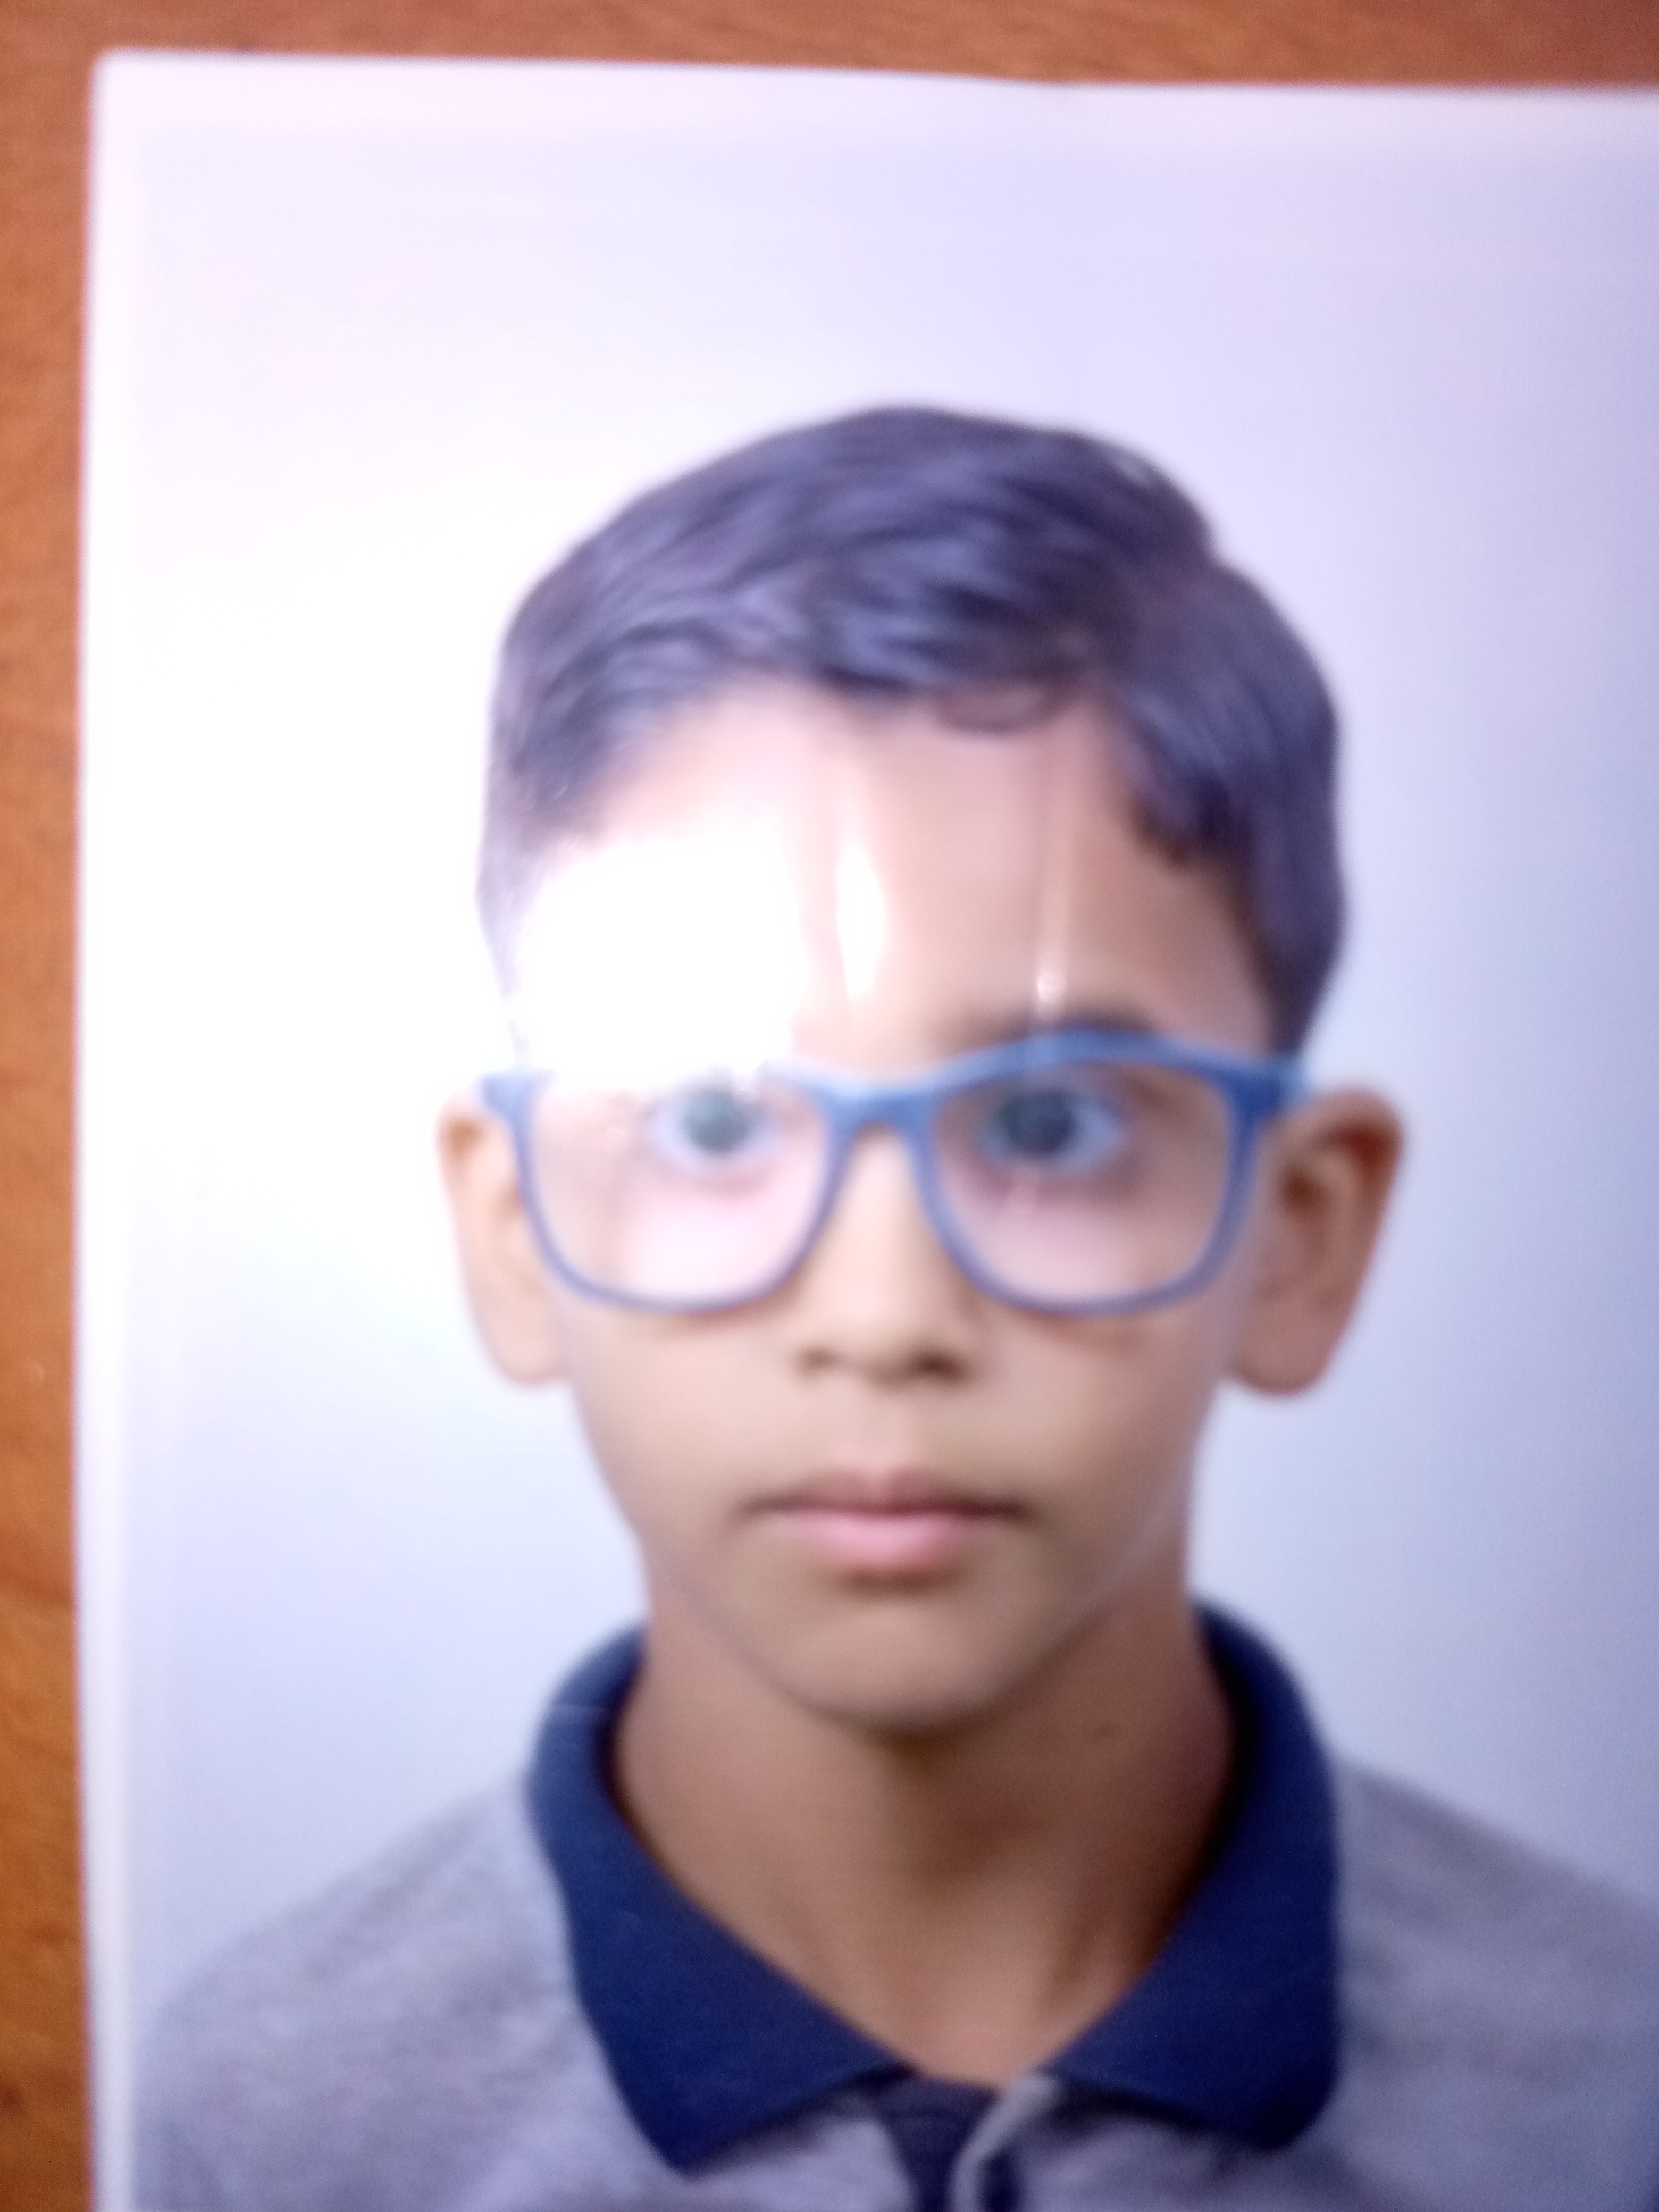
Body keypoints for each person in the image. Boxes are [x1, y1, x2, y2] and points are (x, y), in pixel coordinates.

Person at [138, 409, 1659, 2210]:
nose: (880, 1318)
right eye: (711, 1123)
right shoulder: (279, 2122)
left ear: (1300, 1233)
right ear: (515, 1225)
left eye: (1051, 1124)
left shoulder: (1609, 2097)